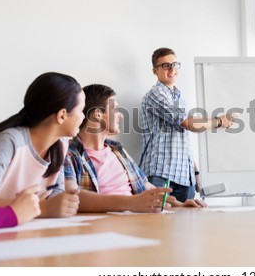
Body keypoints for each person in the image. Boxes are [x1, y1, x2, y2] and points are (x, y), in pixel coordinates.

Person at [64, 84, 206, 213]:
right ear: (97, 115)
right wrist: (131, 203)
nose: (120, 115)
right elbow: (71, 196)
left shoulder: (117, 150)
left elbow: (146, 186)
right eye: (115, 109)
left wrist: (179, 205)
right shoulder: (69, 153)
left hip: (136, 221)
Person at [140, 47, 233, 202]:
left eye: (175, 64)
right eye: (165, 65)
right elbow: (188, 124)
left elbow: (183, 140)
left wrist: (195, 172)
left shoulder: (179, 97)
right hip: (161, 175)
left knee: (185, 224)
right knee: (157, 225)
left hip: (185, 177)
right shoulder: (155, 95)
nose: (171, 69)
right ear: (154, 71)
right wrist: (220, 121)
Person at [0, 72, 83, 218]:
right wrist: (42, 208)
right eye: (81, 110)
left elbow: (56, 194)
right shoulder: (9, 142)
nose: (83, 116)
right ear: (62, 115)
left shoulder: (61, 144)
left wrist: (64, 203)